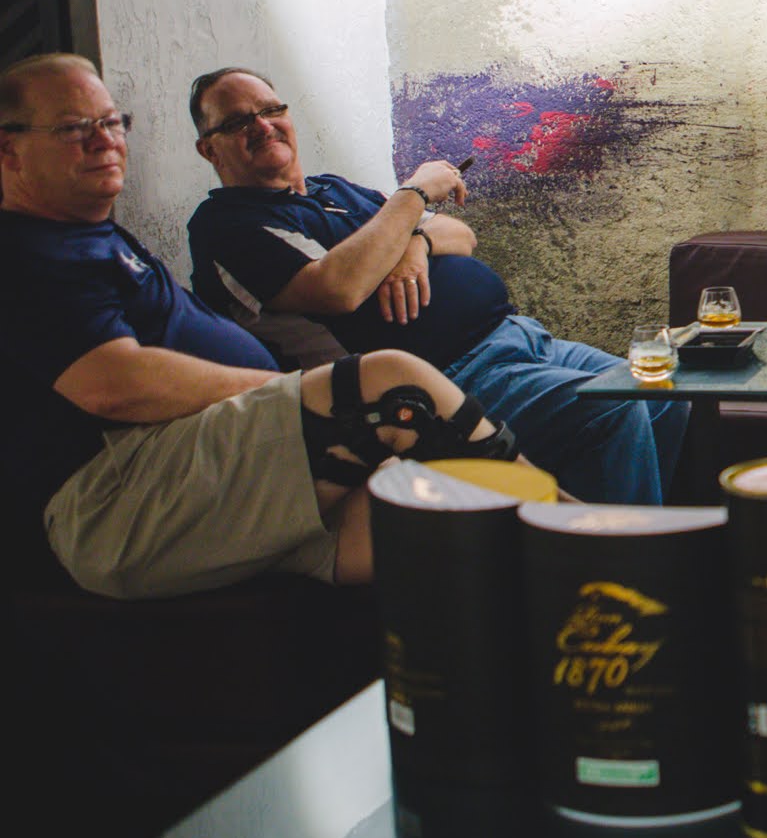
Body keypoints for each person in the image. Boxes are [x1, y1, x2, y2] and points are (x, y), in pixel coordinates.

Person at [2, 54, 518, 599]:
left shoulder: (91, 239)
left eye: (111, 122)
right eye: (73, 127)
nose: (104, 141)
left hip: (198, 469)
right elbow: (112, 383)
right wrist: (305, 395)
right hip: (122, 498)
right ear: (8, 149)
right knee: (392, 387)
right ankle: (577, 539)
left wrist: (414, 242)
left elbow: (457, 236)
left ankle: (559, 596)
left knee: (442, 510)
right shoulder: (23, 251)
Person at [184, 67, 685, 506]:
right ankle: (622, 563)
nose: (262, 125)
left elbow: (459, 235)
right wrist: (415, 192)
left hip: (519, 336)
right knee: (614, 409)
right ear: (208, 149)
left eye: (271, 109)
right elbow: (339, 287)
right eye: (237, 121)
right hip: (442, 381)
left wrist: (415, 244)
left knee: (665, 391)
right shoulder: (226, 224)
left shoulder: (333, 189)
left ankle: (648, 538)